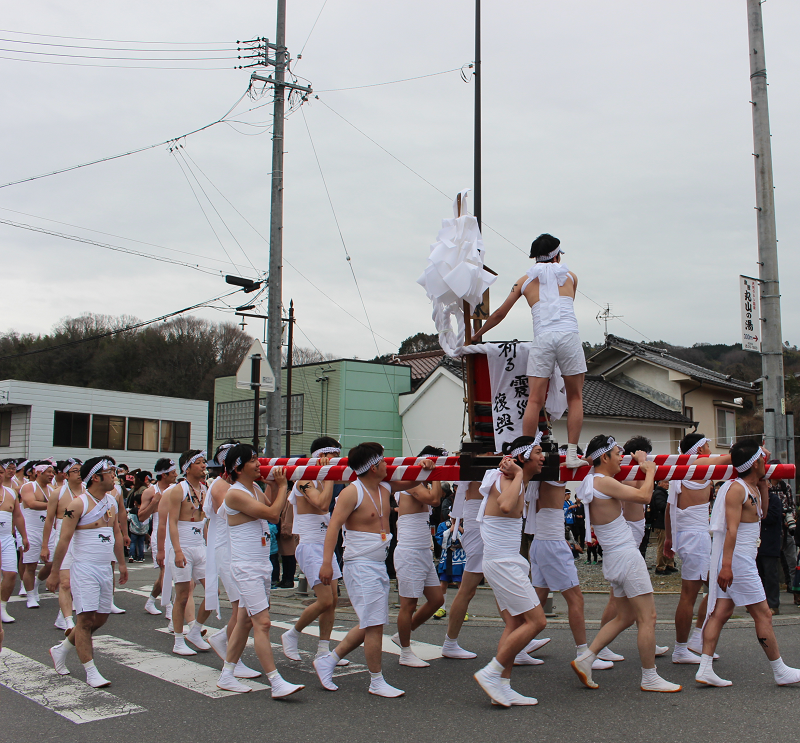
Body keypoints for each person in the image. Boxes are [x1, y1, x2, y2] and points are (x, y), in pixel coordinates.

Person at [313, 442, 435, 697]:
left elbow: (415, 480)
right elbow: (333, 527)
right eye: (381, 462)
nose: (385, 465)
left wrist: (425, 467)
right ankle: (376, 680)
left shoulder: (385, 487)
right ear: (371, 467)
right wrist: (326, 563)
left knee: (370, 622)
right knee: (374, 624)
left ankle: (329, 660)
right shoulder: (351, 492)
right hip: (359, 564)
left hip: (378, 563)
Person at [572, 435, 680, 692]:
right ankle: (649, 676)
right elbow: (644, 497)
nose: (622, 456)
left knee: (626, 617)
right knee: (648, 617)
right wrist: (650, 469)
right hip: (626, 556)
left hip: (615, 556)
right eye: (617, 453)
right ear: (604, 458)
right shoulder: (603, 482)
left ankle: (586, 659)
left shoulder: (593, 482)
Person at [470, 233, 586, 468]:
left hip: (542, 339)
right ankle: (572, 454)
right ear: (557, 255)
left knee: (533, 399)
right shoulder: (571, 276)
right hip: (568, 337)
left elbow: (500, 313)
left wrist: (475, 336)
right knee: (575, 397)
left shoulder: (524, 281)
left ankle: (526, 451)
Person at [697, 439, 800, 686]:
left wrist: (763, 484)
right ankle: (779, 670)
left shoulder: (752, 486)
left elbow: (760, 514)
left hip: (742, 559)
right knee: (764, 614)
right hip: (738, 561)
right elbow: (730, 530)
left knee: (721, 613)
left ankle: (705, 668)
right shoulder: (735, 489)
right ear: (755, 463)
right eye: (762, 459)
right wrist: (726, 566)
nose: (766, 461)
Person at [216, 444, 304, 698]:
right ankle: (276, 682)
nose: (258, 464)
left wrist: (273, 484)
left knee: (244, 621)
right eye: (253, 460)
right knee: (262, 623)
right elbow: (273, 514)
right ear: (238, 467)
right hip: (246, 567)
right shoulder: (234, 494)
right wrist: (284, 486)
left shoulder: (253, 488)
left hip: (260, 564)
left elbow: (270, 505)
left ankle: (226, 674)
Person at [471, 434, 548, 707]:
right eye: (539, 451)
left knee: (515, 623)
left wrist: (518, 475)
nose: (543, 457)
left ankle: (502, 686)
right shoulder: (505, 477)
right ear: (524, 456)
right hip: (503, 563)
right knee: (537, 621)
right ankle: (492, 673)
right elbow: (504, 505)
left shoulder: (517, 480)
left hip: (503, 561)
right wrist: (516, 474)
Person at [525, 446, 613, 673]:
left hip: (540, 542)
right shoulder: (554, 472)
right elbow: (589, 463)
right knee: (575, 599)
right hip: (552, 543)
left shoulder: (541, 475)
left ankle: (519, 645)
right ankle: (583, 653)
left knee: (538, 597)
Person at [47, 457, 128, 687]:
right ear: (95, 477)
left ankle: (61, 649)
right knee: (84, 620)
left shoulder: (111, 502)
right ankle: (91, 671)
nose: (114, 476)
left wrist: (121, 564)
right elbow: (63, 541)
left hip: (105, 568)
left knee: (100, 618)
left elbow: (117, 533)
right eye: (110, 472)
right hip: (84, 568)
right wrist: (54, 572)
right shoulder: (77, 504)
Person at [281, 437, 350, 667]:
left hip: (326, 543)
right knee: (325, 599)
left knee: (333, 600)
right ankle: (293, 633)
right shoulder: (304, 479)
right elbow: (321, 504)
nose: (335, 460)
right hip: (311, 545)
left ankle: (323, 650)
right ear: (320, 456)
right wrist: (328, 476)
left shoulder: (327, 477)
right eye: (332, 456)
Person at [664, 433, 730, 662]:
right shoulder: (696, 464)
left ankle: (696, 637)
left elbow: (669, 508)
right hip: (695, 537)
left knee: (717, 588)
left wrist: (669, 539)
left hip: (688, 534)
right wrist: (754, 451)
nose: (710, 450)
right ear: (699, 450)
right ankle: (681, 649)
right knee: (689, 595)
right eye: (708, 446)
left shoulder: (681, 468)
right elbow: (733, 458)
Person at [204, 443, 261, 682]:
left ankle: (226, 647)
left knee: (243, 607)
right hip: (227, 548)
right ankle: (231, 661)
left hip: (238, 547)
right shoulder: (221, 487)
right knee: (242, 607)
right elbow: (241, 513)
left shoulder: (238, 486)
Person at [390, 445, 445, 667]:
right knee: (408, 604)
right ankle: (405, 651)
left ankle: (403, 633)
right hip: (410, 551)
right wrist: (437, 474)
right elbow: (434, 499)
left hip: (423, 550)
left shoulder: (419, 482)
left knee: (437, 599)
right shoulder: (411, 481)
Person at [166, 449, 212, 655]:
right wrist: (176, 551)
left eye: (204, 462)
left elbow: (207, 522)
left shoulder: (206, 488)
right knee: (183, 595)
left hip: (200, 544)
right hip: (183, 543)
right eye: (200, 463)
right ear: (188, 467)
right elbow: (172, 523)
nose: (204, 466)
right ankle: (178, 640)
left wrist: (210, 547)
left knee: (212, 592)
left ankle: (194, 632)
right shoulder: (178, 490)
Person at [41, 459, 82, 632]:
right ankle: (68, 621)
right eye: (75, 471)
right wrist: (45, 545)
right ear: (66, 475)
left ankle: (62, 613)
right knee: (65, 582)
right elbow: (49, 520)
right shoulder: (57, 493)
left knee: (77, 581)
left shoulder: (88, 492)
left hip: (82, 538)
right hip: (63, 536)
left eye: (81, 470)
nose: (79, 473)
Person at [138, 458, 178, 615]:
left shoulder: (177, 489)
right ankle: (168, 606)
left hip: (175, 533)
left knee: (168, 572)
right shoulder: (150, 491)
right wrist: (155, 503)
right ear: (164, 475)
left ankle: (150, 601)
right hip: (159, 534)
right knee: (165, 571)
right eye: (173, 472)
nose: (176, 475)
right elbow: (141, 517)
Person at [19, 461, 55, 608]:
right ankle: (30, 597)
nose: (52, 475)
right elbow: (31, 503)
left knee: (51, 563)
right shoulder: (28, 487)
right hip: (31, 529)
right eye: (49, 472)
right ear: (38, 472)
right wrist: (52, 505)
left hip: (48, 530)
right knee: (30, 565)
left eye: (53, 472)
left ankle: (36, 583)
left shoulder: (52, 490)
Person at [0, 460, 28, 623]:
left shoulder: (10, 493)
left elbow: (17, 515)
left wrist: (24, 537)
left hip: (7, 538)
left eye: (1, 473)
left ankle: (2, 607)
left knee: (11, 573)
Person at [756, 480, 784, 614]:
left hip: (770, 543)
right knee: (758, 575)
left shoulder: (775, 500)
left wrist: (757, 515)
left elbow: (772, 517)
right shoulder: (754, 498)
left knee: (770, 575)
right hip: (756, 543)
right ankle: (758, 604)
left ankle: (773, 604)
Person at [649, 480, 673, 574]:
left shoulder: (662, 493)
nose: (667, 484)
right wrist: (671, 505)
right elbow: (661, 506)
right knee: (662, 545)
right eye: (665, 482)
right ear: (659, 483)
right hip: (661, 523)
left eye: (668, 483)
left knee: (668, 545)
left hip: (664, 523)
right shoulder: (659, 493)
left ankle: (669, 564)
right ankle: (660, 567)